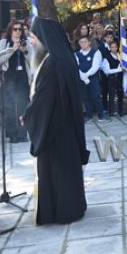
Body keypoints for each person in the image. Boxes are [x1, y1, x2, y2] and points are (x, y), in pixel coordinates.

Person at [24, 16, 90, 224]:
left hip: (53, 129)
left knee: (57, 172)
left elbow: (43, 99)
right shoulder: (62, 57)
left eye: (34, 37)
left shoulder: (52, 63)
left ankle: (60, 211)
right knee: (67, 170)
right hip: (65, 127)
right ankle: (73, 206)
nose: (31, 41)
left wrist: (28, 115)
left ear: (44, 38)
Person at [0, 21, 30, 142]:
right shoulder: (4, 42)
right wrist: (12, 49)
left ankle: (23, 134)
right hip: (8, 76)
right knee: (9, 105)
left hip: (22, 76)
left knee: (23, 105)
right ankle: (12, 135)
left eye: (20, 29)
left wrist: (24, 51)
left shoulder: (26, 42)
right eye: (15, 29)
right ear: (10, 30)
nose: (18, 32)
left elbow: (32, 60)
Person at [76, 36, 108, 122]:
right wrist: (82, 76)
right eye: (81, 42)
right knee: (85, 98)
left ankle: (101, 116)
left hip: (93, 79)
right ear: (79, 44)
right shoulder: (77, 54)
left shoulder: (96, 52)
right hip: (82, 79)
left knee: (96, 96)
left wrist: (86, 75)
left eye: (85, 42)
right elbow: (76, 66)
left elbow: (95, 66)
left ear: (89, 43)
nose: (83, 44)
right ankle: (89, 116)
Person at [100, 40, 125, 117]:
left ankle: (120, 110)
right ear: (110, 48)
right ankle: (111, 111)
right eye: (112, 47)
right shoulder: (107, 58)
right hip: (111, 78)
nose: (114, 48)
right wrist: (118, 69)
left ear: (117, 47)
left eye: (115, 47)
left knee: (120, 94)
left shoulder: (120, 56)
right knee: (111, 95)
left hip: (119, 78)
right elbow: (107, 71)